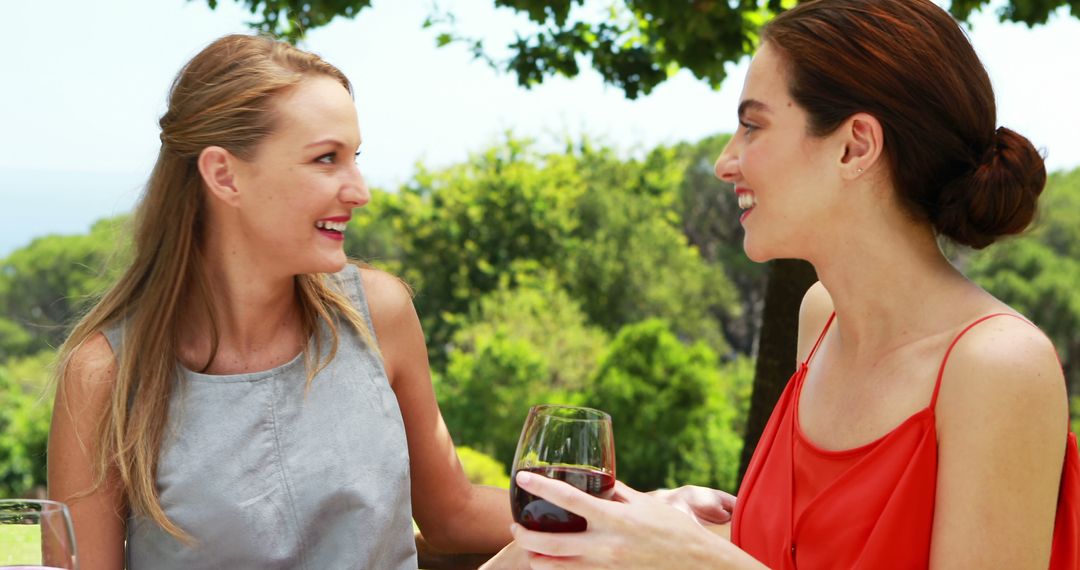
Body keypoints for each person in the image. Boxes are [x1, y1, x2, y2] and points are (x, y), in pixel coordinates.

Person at [495, 0, 1080, 567]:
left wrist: (701, 563)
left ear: (855, 146)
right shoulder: (821, 318)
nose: (727, 161)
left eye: (753, 126)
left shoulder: (999, 366)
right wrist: (665, 519)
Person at [46, 34, 518, 569]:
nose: (358, 190)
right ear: (224, 175)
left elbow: (452, 514)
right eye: (326, 159)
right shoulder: (104, 375)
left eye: (354, 157)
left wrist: (624, 513)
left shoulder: (379, 314)